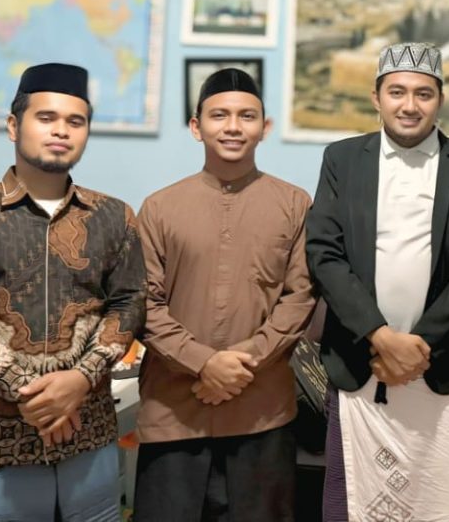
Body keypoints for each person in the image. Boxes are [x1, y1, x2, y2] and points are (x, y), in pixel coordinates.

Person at [0, 63, 145, 522]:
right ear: (13, 126)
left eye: (75, 121)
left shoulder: (114, 217)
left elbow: (130, 302)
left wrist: (79, 381)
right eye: (46, 118)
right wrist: (35, 398)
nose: (61, 130)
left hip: (87, 438)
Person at [305, 42, 449, 521]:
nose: (409, 105)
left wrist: (418, 345)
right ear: (376, 98)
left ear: (440, 100)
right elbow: (324, 252)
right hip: (361, 362)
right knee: (355, 503)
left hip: (442, 366)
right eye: (397, 92)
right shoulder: (342, 159)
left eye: (423, 94)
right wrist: (381, 337)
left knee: (441, 503)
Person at [134, 68, 317, 521]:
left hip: (262, 415)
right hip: (174, 415)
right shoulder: (158, 208)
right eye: (219, 115)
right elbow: (143, 304)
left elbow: (300, 297)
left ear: (264, 127)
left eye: (246, 116)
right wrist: (204, 363)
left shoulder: (295, 205)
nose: (233, 126)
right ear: (196, 127)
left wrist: (240, 363)